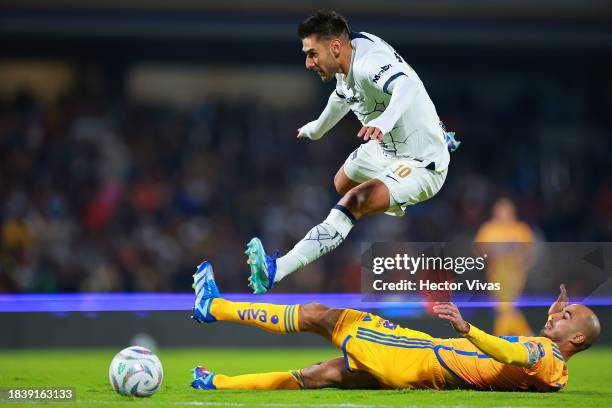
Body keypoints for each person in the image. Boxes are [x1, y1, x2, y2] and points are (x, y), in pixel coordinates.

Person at [245, 10, 460, 294]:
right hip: (385, 150)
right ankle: (392, 192)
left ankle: (278, 270)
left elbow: (406, 84)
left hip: (421, 162)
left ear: (335, 47)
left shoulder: (369, 64)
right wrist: (319, 128)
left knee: (354, 200)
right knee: (341, 182)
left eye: (312, 54)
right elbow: (343, 95)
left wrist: (384, 120)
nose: (308, 63)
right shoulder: (347, 58)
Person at [190, 261, 600, 392]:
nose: (558, 316)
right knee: (319, 375)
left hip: (416, 354)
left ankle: (213, 307)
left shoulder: (543, 355)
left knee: (321, 315)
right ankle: (216, 384)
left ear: (578, 338)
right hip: (418, 372)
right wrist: (553, 315)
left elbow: (513, 352)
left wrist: (467, 328)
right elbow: (526, 357)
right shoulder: (556, 373)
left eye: (567, 317)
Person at [475, 197, 535, 336]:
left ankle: (501, 340)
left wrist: (524, 267)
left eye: (506, 210)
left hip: (515, 274)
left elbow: (529, 253)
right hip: (496, 273)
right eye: (499, 210)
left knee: (505, 307)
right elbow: (480, 249)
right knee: (506, 307)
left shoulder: (520, 229)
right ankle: (527, 336)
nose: (502, 213)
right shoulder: (489, 228)